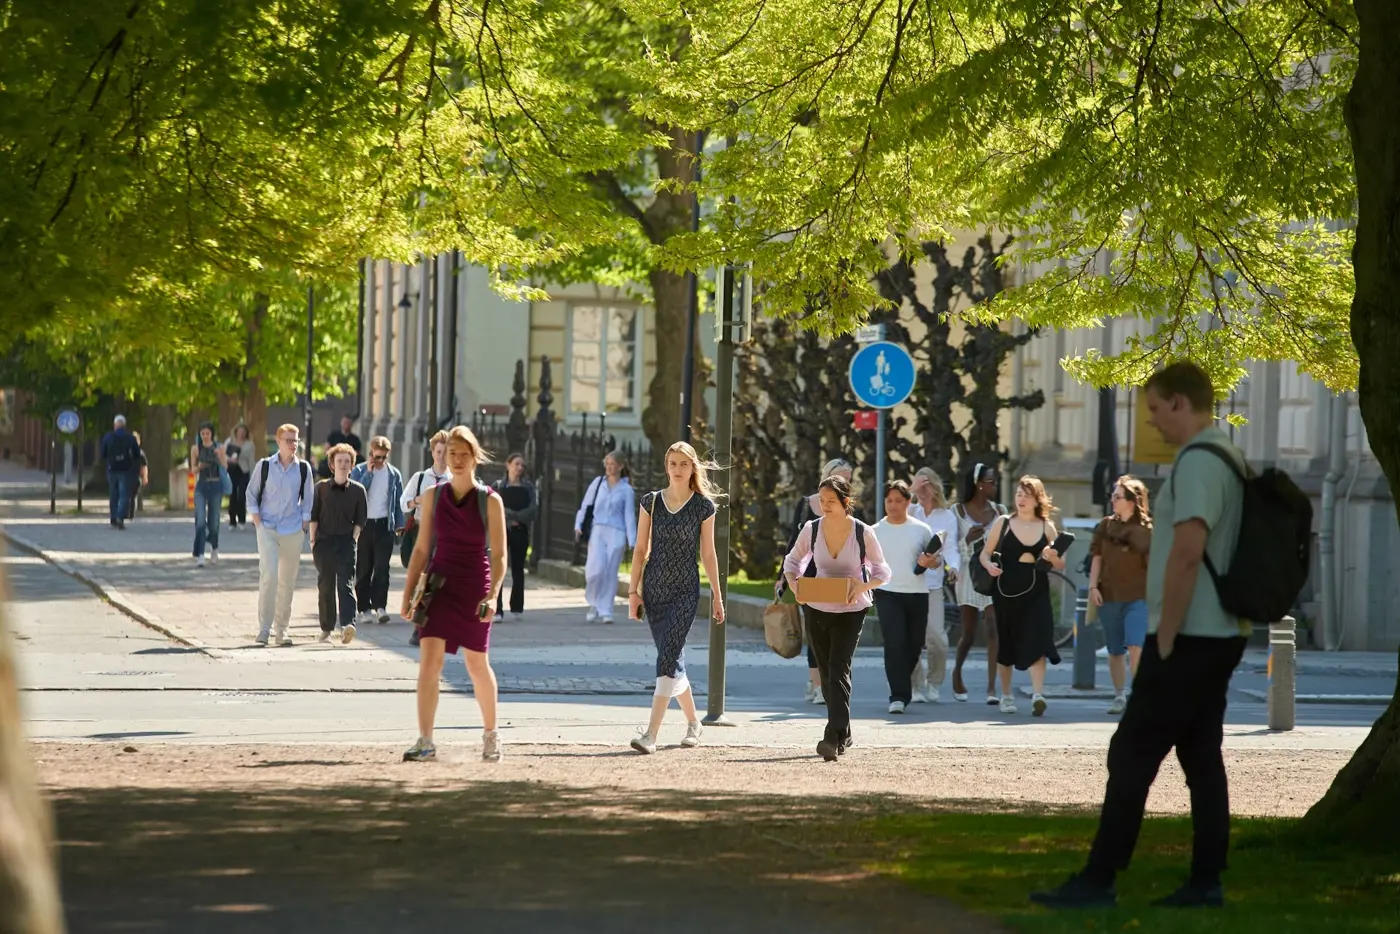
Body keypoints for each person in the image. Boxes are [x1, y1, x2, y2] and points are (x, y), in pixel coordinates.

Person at [1033, 362, 1250, 910]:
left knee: (1131, 751)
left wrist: (1167, 635)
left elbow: (1188, 551)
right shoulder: (1227, 455)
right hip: (1217, 630)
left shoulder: (1201, 461)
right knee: (1201, 756)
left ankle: (1099, 879)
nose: (1152, 421)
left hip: (1190, 633)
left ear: (1180, 402)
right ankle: (1206, 881)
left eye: (1155, 408)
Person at [400, 425, 507, 763]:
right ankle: (425, 740)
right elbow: (420, 550)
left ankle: (491, 735)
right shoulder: (433, 495)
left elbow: (500, 556)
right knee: (429, 663)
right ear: (443, 457)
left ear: (475, 458)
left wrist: (492, 596)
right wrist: (407, 594)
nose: (457, 460)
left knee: (477, 664)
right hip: (439, 585)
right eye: (452, 454)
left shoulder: (490, 500)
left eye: (464, 454)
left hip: (475, 585)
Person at [782, 475, 891, 761]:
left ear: (845, 502)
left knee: (838, 668)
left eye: (831, 501)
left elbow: (883, 572)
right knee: (827, 671)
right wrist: (796, 587)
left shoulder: (862, 532)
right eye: (822, 501)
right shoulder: (812, 529)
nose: (825, 506)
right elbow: (792, 562)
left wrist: (861, 586)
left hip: (851, 609)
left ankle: (831, 736)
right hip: (817, 607)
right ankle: (845, 734)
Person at [626, 442, 725, 753]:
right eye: (673, 463)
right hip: (654, 590)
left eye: (684, 464)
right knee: (672, 659)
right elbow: (640, 550)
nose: (678, 469)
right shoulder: (650, 502)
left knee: (666, 657)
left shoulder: (703, 507)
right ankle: (694, 723)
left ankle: (651, 735)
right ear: (666, 466)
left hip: (685, 591)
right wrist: (633, 592)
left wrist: (718, 597)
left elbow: (709, 554)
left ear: (692, 467)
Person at [980, 476, 1066, 716]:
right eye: (1018, 494)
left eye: (1027, 495)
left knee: (1038, 638)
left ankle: (1038, 695)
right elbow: (985, 554)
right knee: (1006, 642)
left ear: (1037, 499)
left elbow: (1061, 563)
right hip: (1006, 589)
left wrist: (1052, 555)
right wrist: (989, 567)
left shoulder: (1047, 527)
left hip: (1036, 590)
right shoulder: (1003, 523)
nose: (1021, 499)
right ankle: (1006, 696)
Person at [784, 457, 858, 704]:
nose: (846, 482)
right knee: (815, 631)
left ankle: (828, 682)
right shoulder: (807, 505)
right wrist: (783, 579)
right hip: (811, 577)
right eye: (843, 477)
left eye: (849, 479)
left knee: (836, 634)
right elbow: (794, 542)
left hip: (839, 578)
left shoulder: (849, 507)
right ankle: (818, 686)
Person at [247, 424, 315, 647]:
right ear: (278, 441)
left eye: (295, 440)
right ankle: (264, 629)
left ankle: (282, 630)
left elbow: (308, 500)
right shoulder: (265, 466)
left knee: (287, 581)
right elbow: (251, 495)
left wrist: (304, 525)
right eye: (288, 440)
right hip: (268, 528)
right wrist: (258, 524)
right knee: (269, 577)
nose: (293, 445)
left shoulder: (303, 468)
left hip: (293, 530)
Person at [1091, 476, 1153, 715]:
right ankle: (1119, 695)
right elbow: (1097, 557)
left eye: (1117, 497)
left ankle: (1138, 698)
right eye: (1113, 496)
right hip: (1109, 596)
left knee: (1136, 646)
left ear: (1131, 502)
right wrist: (1094, 587)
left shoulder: (1146, 529)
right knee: (1116, 650)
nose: (1112, 500)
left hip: (1138, 597)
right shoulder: (1106, 526)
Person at [873, 481, 935, 714]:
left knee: (914, 645)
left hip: (917, 594)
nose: (893, 505)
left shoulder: (921, 529)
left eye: (899, 501)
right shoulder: (875, 531)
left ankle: (897, 677)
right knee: (895, 642)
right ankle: (898, 695)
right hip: (887, 593)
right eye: (889, 500)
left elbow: (935, 560)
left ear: (908, 502)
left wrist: (929, 561)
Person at [951, 462, 1007, 705]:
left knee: (994, 627)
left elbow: (1004, 544)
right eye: (991, 481)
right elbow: (951, 549)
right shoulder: (957, 511)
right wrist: (967, 539)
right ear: (978, 484)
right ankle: (957, 672)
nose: (995, 485)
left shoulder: (1000, 511)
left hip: (992, 574)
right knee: (969, 632)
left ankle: (992, 687)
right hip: (967, 575)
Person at [908, 467, 960, 703]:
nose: (922, 493)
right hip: (908, 583)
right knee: (910, 639)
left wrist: (954, 567)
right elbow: (893, 514)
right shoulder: (910, 510)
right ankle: (915, 684)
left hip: (933, 586)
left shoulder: (946, 517)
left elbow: (950, 549)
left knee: (937, 638)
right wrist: (911, 489)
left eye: (926, 487)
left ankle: (934, 681)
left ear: (935, 488)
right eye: (919, 488)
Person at [310, 443, 367, 645]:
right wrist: (312, 540)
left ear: (352, 465)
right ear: (332, 465)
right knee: (325, 584)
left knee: (345, 583)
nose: (343, 465)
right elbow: (314, 515)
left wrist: (353, 539)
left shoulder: (358, 491)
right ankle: (326, 628)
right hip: (324, 542)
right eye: (339, 461)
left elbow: (361, 519)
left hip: (346, 542)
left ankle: (347, 625)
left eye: (347, 461)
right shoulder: (321, 488)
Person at [575, 451, 637, 624]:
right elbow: (586, 505)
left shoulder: (627, 490)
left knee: (610, 571)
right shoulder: (598, 484)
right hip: (598, 529)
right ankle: (594, 603)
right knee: (596, 570)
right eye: (607, 463)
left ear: (620, 466)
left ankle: (606, 609)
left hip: (617, 532)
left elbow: (629, 516)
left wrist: (633, 540)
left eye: (612, 464)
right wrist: (578, 525)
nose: (609, 467)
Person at [350, 436, 405, 626]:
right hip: (364, 526)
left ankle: (380, 606)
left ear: (387, 455)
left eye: (382, 457)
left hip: (384, 526)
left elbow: (397, 502)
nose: (379, 460)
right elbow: (357, 493)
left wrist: (399, 524)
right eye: (375, 456)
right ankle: (364, 608)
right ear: (370, 452)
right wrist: (369, 473)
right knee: (364, 568)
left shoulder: (393, 474)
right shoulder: (359, 470)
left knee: (382, 568)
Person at [493, 453, 538, 618]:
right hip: (502, 531)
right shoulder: (498, 486)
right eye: (516, 464)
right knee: (499, 569)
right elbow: (494, 507)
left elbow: (533, 509)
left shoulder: (528, 487)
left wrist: (515, 517)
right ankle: (497, 608)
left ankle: (517, 606)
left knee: (518, 569)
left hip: (520, 530)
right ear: (508, 465)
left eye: (522, 465)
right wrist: (508, 516)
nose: (519, 468)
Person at [189, 422, 227, 567]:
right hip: (202, 485)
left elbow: (225, 466)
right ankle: (200, 554)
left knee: (214, 521)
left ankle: (214, 549)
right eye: (202, 434)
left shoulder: (219, 447)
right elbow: (193, 470)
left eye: (207, 433)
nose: (205, 436)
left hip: (216, 485)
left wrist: (219, 456)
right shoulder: (196, 449)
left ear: (212, 434)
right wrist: (199, 466)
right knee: (200, 521)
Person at [100, 415, 140, 530]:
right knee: (124, 495)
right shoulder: (130, 438)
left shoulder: (108, 437)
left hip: (112, 469)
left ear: (115, 425)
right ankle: (120, 517)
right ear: (124, 425)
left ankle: (113, 517)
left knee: (113, 494)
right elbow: (136, 454)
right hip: (125, 470)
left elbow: (103, 453)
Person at [224, 424, 256, 530]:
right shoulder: (229, 441)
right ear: (236, 431)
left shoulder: (250, 445)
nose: (241, 433)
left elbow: (251, 460)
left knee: (242, 496)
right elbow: (223, 455)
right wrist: (229, 460)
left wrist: (253, 475)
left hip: (244, 471)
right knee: (232, 495)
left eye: (243, 432)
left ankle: (241, 519)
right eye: (239, 431)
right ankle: (232, 521)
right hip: (232, 470)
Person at [321, 413, 364, 478]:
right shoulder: (333, 435)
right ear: (341, 423)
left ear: (351, 424)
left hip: (349, 462)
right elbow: (327, 449)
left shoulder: (355, 439)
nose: (346, 425)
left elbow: (357, 453)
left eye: (348, 423)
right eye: (345, 422)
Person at [124, 430, 149, 523]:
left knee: (126, 496)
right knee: (132, 497)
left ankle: (126, 514)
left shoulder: (126, 451)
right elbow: (144, 466)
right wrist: (145, 477)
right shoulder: (140, 452)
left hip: (127, 476)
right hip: (135, 477)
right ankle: (130, 515)